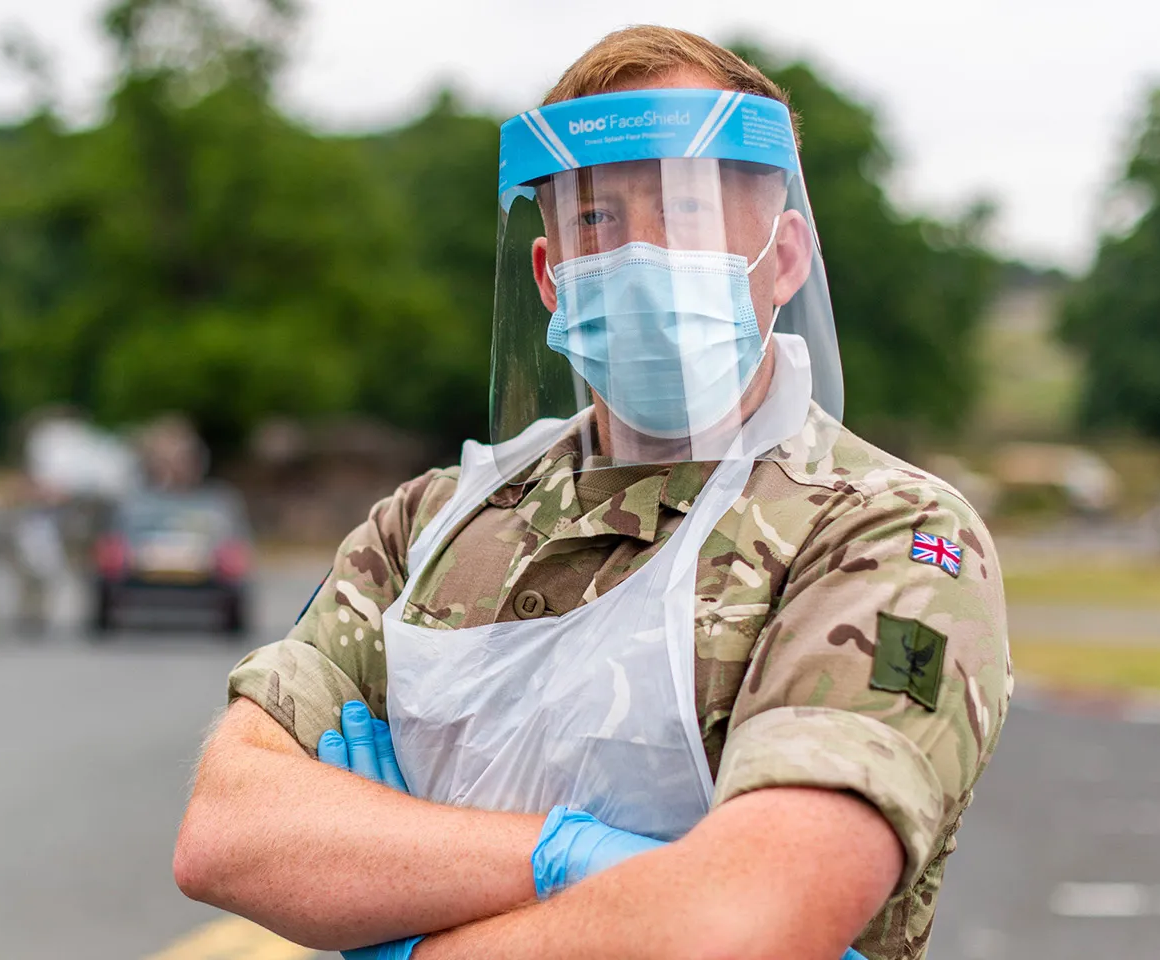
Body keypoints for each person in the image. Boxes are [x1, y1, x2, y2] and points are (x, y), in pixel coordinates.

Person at [174, 26, 1010, 960]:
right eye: (598, 220)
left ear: (784, 257)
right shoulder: (430, 526)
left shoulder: (884, 532)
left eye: (686, 210)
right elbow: (230, 829)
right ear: (549, 278)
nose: (640, 255)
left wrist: (411, 915)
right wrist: (566, 861)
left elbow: (750, 919)